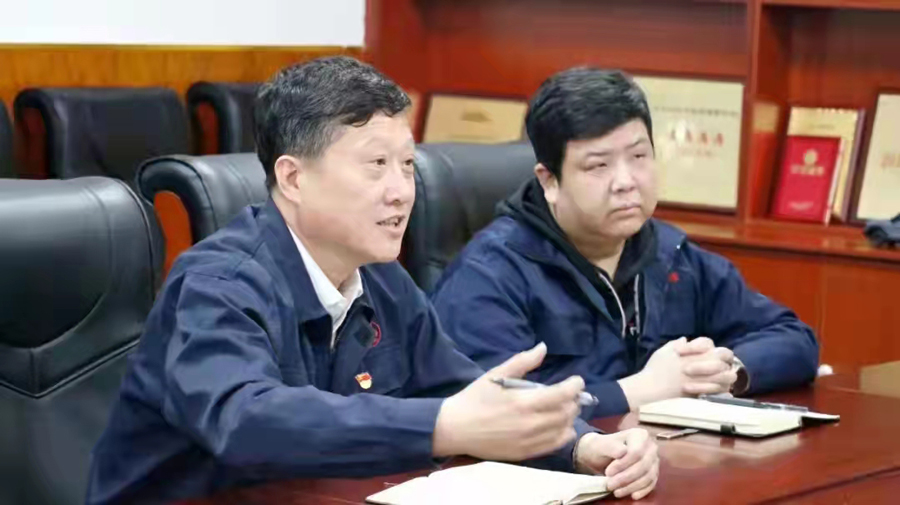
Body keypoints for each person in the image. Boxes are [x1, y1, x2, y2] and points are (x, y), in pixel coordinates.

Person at [84, 57, 659, 504]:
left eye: (407, 165)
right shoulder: (217, 284)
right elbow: (247, 420)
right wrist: (444, 425)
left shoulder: (381, 279)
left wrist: (581, 444)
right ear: (294, 178)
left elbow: (463, 391)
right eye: (376, 166)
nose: (402, 191)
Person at [430, 66, 820, 420]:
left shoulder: (671, 255)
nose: (626, 181)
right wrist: (641, 391)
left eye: (638, 156)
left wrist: (725, 371)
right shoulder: (489, 276)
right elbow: (495, 412)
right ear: (549, 181)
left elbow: (795, 339)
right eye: (599, 165)